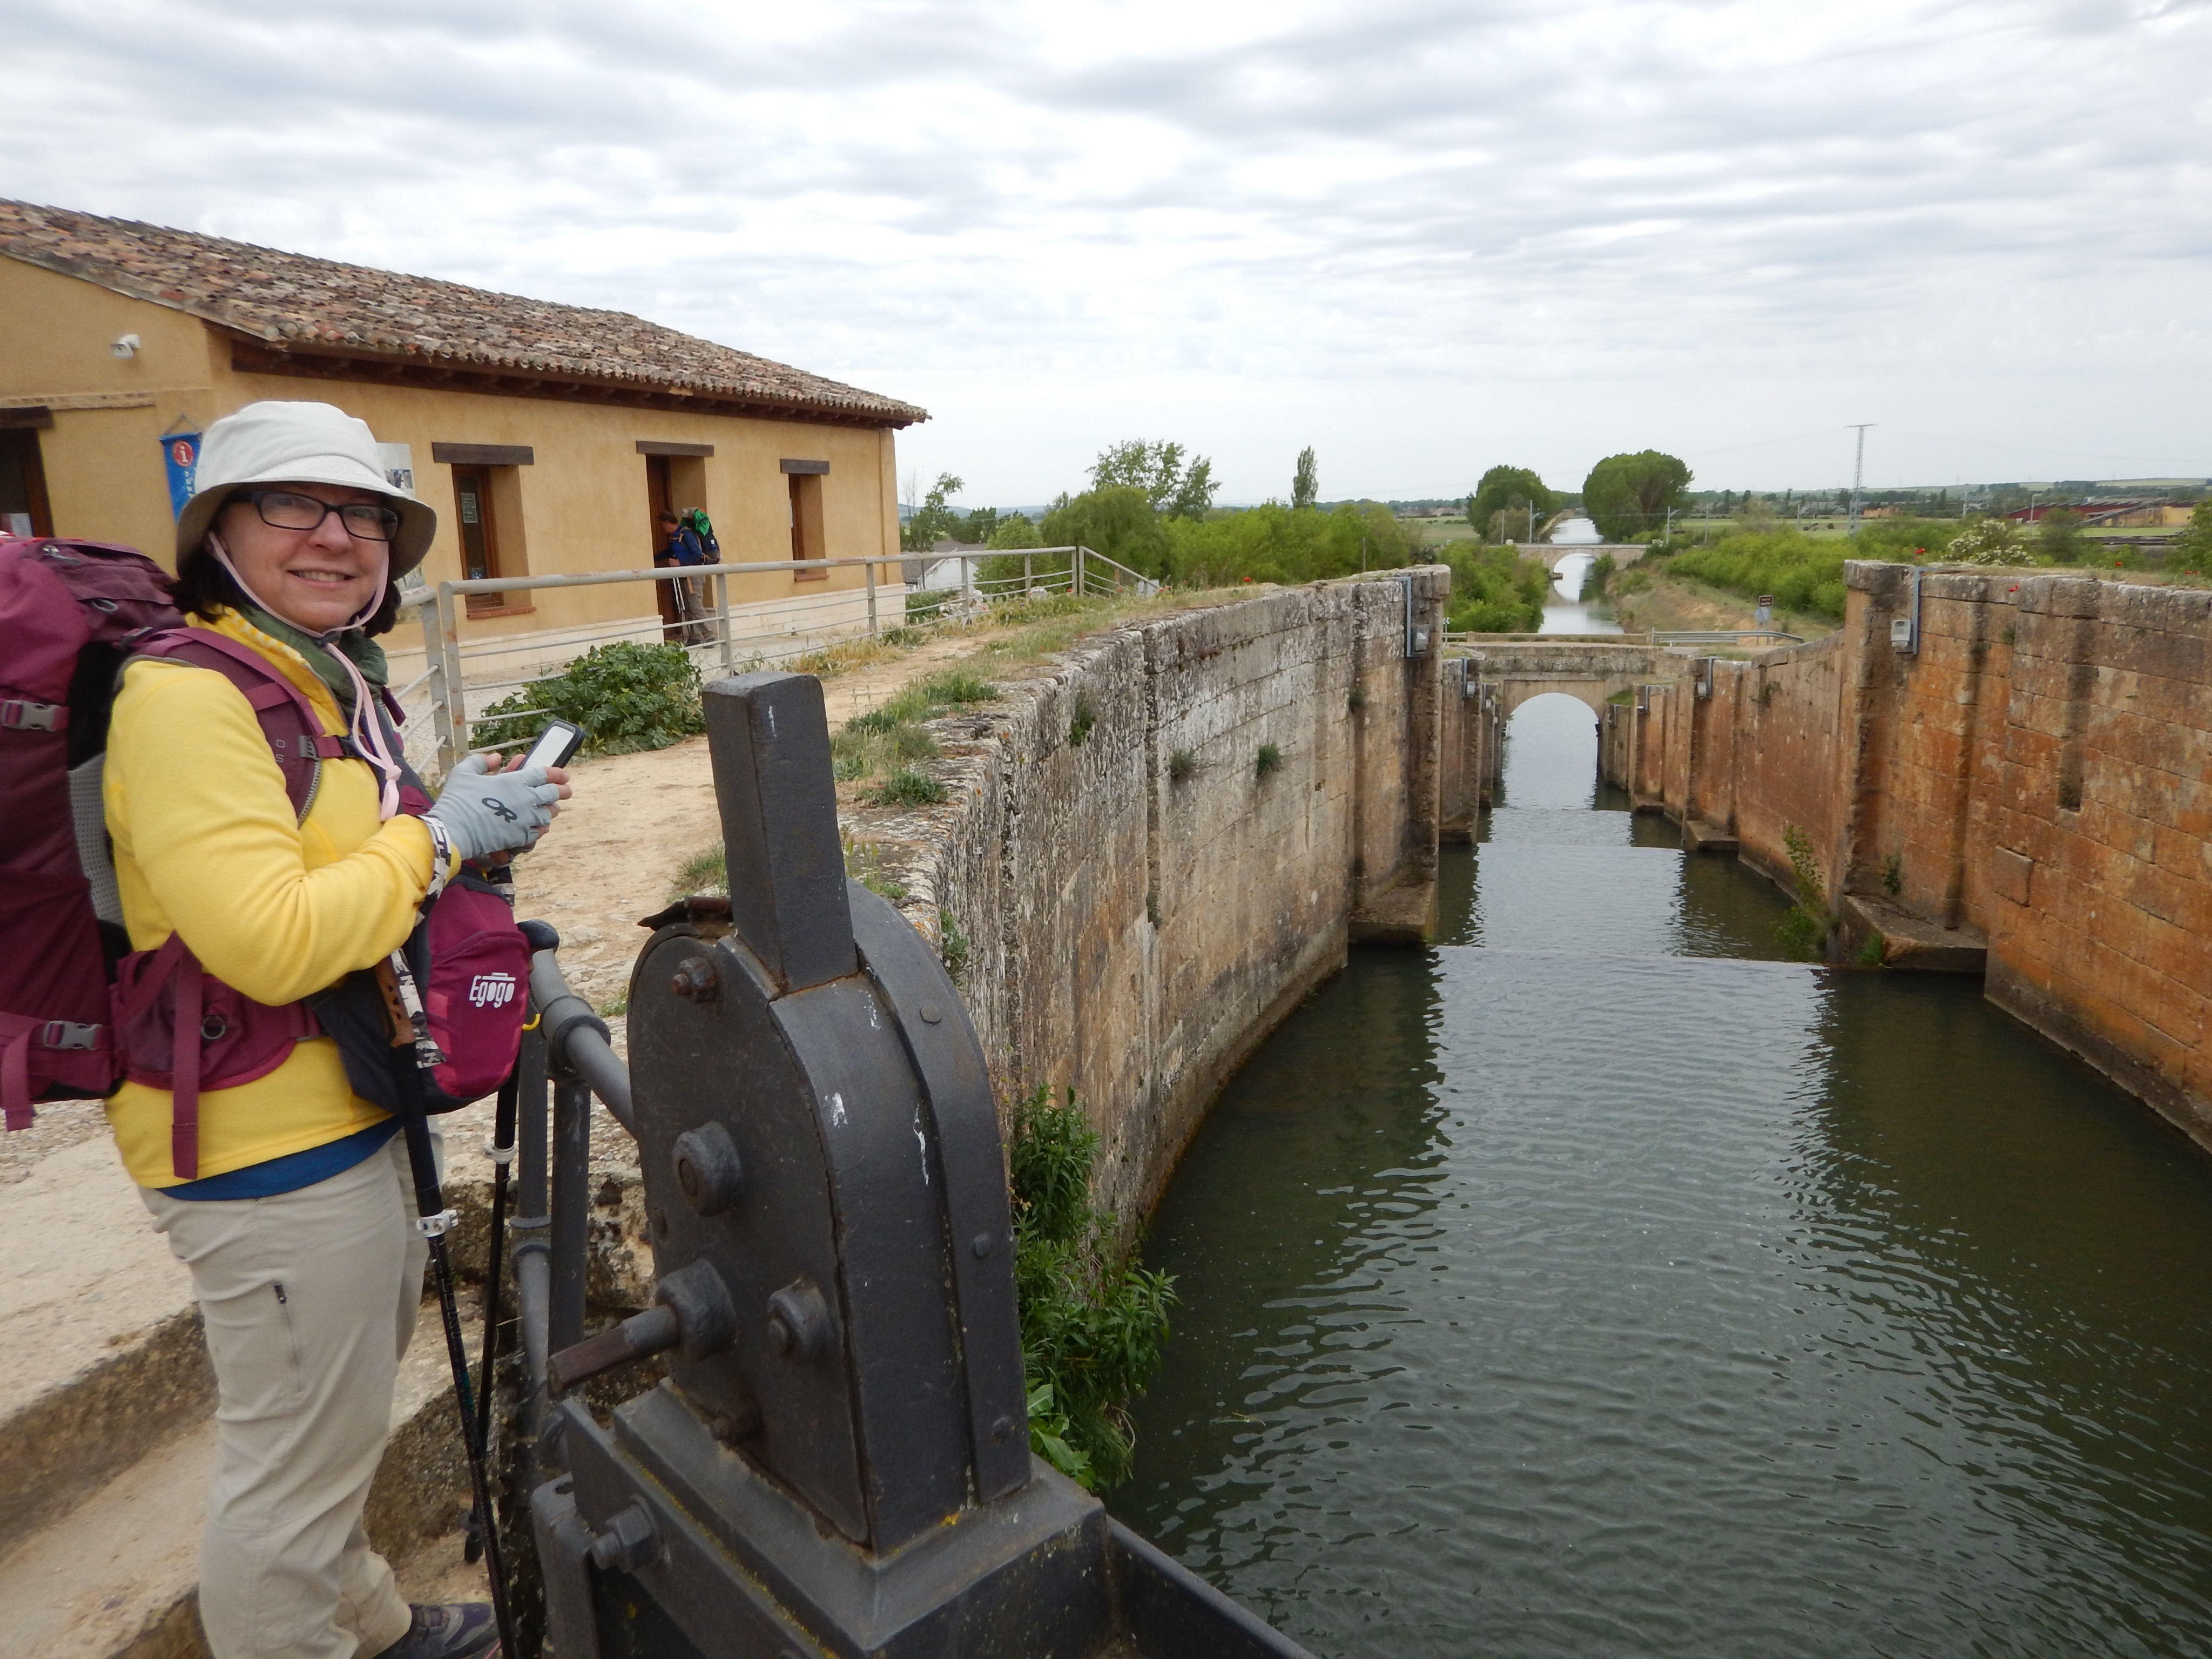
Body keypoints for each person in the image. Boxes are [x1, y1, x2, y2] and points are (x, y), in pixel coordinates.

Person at [106, 400, 572, 1659]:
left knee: (332, 1427)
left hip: (335, 1105)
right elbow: (271, 939)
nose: (335, 534)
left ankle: (370, 1621)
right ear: (221, 531)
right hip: (264, 1144)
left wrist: (460, 827)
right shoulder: (187, 697)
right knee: (290, 1472)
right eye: (292, 504)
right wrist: (440, 836)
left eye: (362, 511)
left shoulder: (311, 678)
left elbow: (355, 866)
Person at [655, 508, 711, 644]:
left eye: (663, 525)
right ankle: (695, 637)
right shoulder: (675, 537)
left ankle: (709, 636)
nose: (663, 528)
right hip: (684, 575)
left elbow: (697, 554)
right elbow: (669, 552)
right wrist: (652, 558)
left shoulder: (686, 534)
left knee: (696, 606)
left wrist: (680, 563)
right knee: (688, 607)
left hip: (694, 575)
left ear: (668, 522)